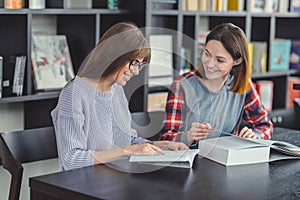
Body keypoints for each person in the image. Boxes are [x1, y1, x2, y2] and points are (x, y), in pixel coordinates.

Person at [51, 22, 189, 171]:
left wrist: (164, 145)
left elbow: (127, 140)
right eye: (135, 63)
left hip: (114, 177)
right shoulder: (74, 93)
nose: (136, 71)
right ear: (115, 55)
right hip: (81, 184)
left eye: (140, 65)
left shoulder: (116, 90)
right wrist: (126, 151)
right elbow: (71, 159)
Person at [159, 23, 274, 148]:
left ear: (237, 61)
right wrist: (188, 136)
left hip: (228, 161)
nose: (209, 64)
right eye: (207, 54)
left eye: (219, 60)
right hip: (193, 162)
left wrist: (255, 136)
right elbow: (166, 138)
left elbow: (265, 125)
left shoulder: (242, 85)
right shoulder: (182, 85)